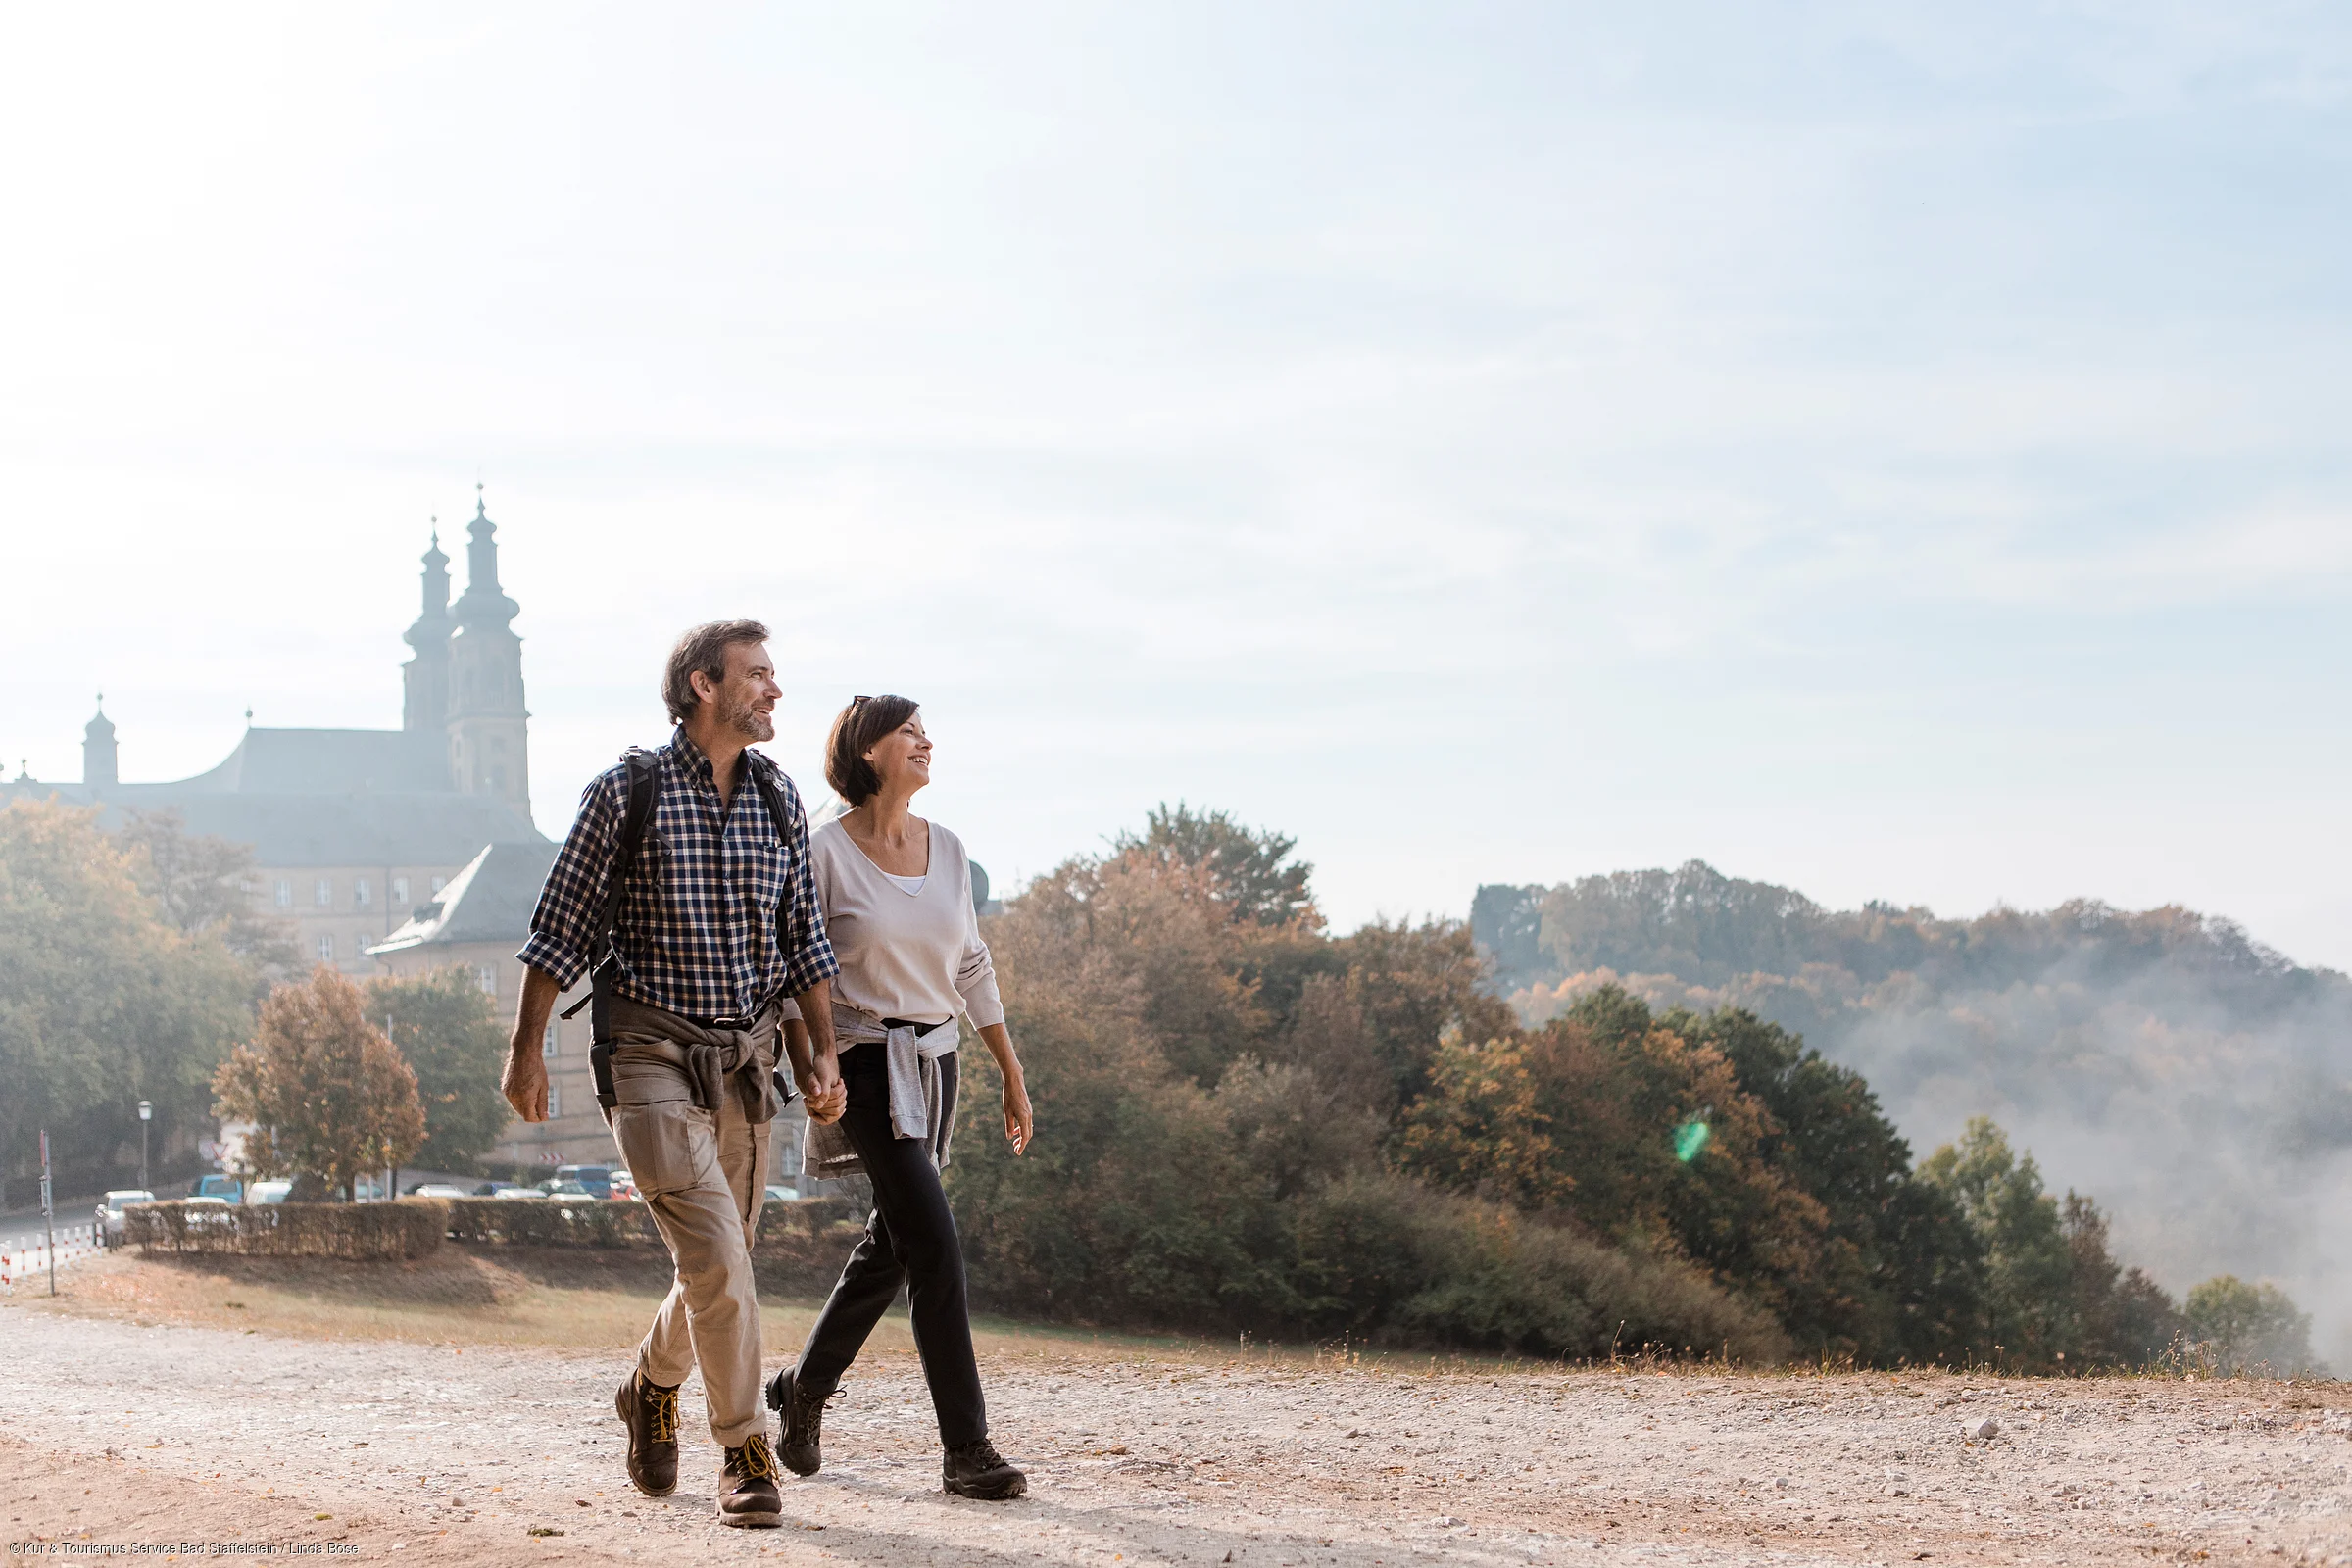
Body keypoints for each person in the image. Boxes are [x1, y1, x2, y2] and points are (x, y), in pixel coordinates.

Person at [502, 619, 850, 1530]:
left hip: (745, 1062)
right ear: (704, 685)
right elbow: (559, 928)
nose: (776, 691)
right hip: (647, 1053)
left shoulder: (778, 795)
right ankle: (743, 1450)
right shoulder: (628, 791)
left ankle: (649, 1385)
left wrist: (820, 1049)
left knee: (717, 1261)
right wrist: (525, 1046)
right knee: (720, 1259)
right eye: (759, 675)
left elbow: (803, 940)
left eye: (776, 675)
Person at [765, 693, 1036, 1501]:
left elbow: (972, 966)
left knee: (894, 1244)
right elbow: (792, 976)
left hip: (937, 1061)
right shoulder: (823, 854)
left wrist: (1011, 1072)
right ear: (868, 751)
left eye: (925, 731)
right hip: (865, 1061)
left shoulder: (947, 850)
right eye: (909, 731)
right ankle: (967, 1449)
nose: (926, 741)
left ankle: (802, 1388)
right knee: (935, 1246)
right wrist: (816, 1065)